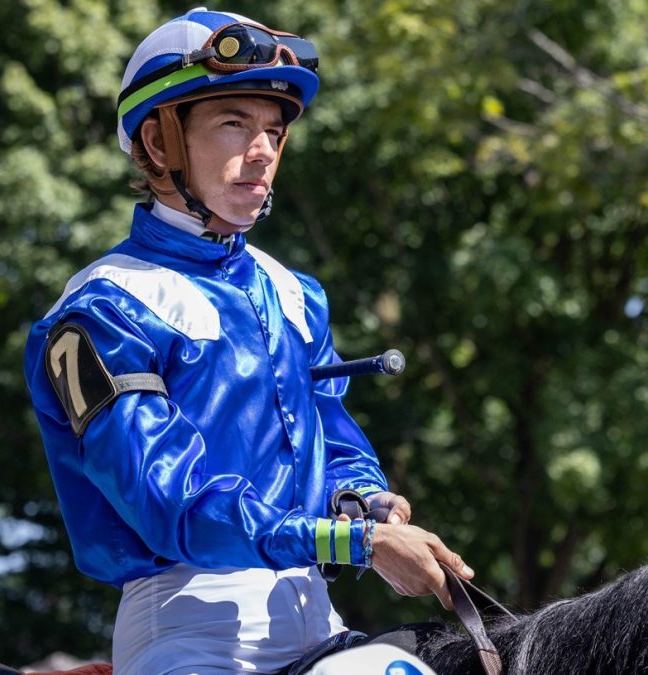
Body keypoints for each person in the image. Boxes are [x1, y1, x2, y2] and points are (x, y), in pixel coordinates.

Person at [24, 9, 474, 674]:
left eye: (274, 131)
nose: (263, 150)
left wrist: (364, 502)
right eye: (234, 124)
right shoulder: (102, 308)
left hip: (318, 619)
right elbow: (170, 503)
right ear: (158, 142)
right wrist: (355, 543)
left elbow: (334, 443)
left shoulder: (295, 292)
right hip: (187, 632)